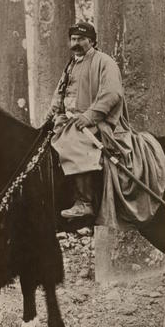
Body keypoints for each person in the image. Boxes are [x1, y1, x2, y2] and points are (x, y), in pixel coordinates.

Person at [45, 21, 125, 218]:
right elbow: (60, 94)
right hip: (67, 120)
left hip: (95, 122)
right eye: (73, 39)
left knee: (74, 143)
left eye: (81, 39)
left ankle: (85, 202)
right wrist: (50, 114)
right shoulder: (71, 64)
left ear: (91, 41)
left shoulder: (104, 62)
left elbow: (112, 92)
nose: (76, 43)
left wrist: (90, 115)